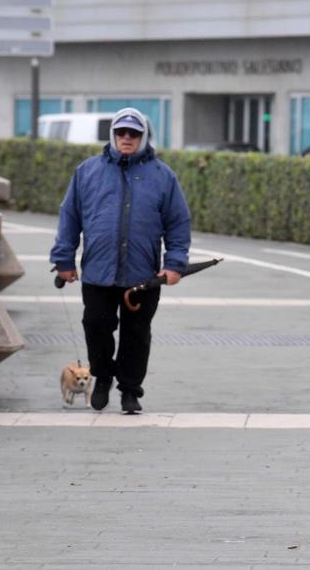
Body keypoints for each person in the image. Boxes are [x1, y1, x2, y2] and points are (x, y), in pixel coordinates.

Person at [50, 107, 191, 414]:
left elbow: (178, 223)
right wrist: (64, 258)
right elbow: (70, 216)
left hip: (144, 274)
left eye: (134, 133)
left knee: (136, 334)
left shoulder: (163, 176)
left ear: (144, 137)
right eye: (121, 132)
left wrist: (176, 263)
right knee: (95, 326)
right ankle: (101, 376)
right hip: (98, 272)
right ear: (113, 134)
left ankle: (130, 391)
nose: (127, 138)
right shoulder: (87, 171)